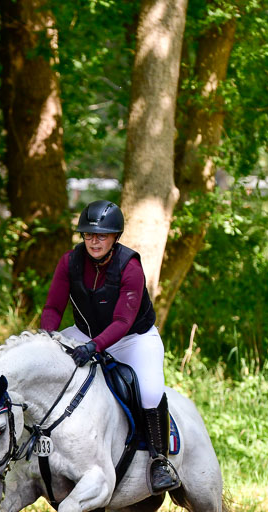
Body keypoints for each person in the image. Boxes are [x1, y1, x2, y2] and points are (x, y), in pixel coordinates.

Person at [40, 199, 180, 494]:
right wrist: (47, 337)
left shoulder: (129, 266)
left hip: (133, 339)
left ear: (115, 237)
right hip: (85, 333)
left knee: (151, 391)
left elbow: (123, 320)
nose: (94, 241)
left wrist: (94, 347)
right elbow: (53, 306)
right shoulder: (69, 262)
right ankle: (39, 447)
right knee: (44, 367)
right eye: (89, 235)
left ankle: (159, 461)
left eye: (101, 235)